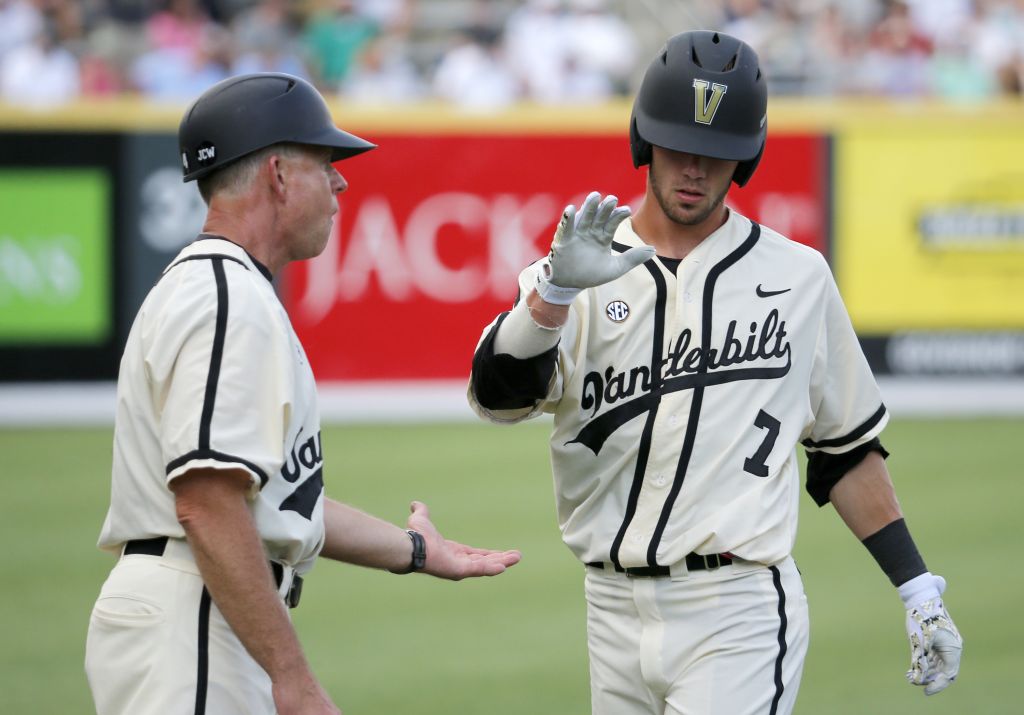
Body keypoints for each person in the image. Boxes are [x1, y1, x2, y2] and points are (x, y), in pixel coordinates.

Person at [468, 31, 961, 715]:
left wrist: (916, 586)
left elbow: (845, 448)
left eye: (717, 152)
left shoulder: (798, 277)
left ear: (746, 157)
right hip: (609, 608)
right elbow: (498, 397)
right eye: (678, 146)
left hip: (738, 608)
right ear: (645, 140)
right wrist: (552, 295)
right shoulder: (575, 269)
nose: (695, 169)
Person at [85, 72, 521, 715]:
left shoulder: (223, 288)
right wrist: (293, 677)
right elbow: (207, 502)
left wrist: (416, 551)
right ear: (280, 175)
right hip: (195, 616)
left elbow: (270, 502)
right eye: (325, 163)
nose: (341, 184)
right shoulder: (226, 298)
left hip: (204, 607)